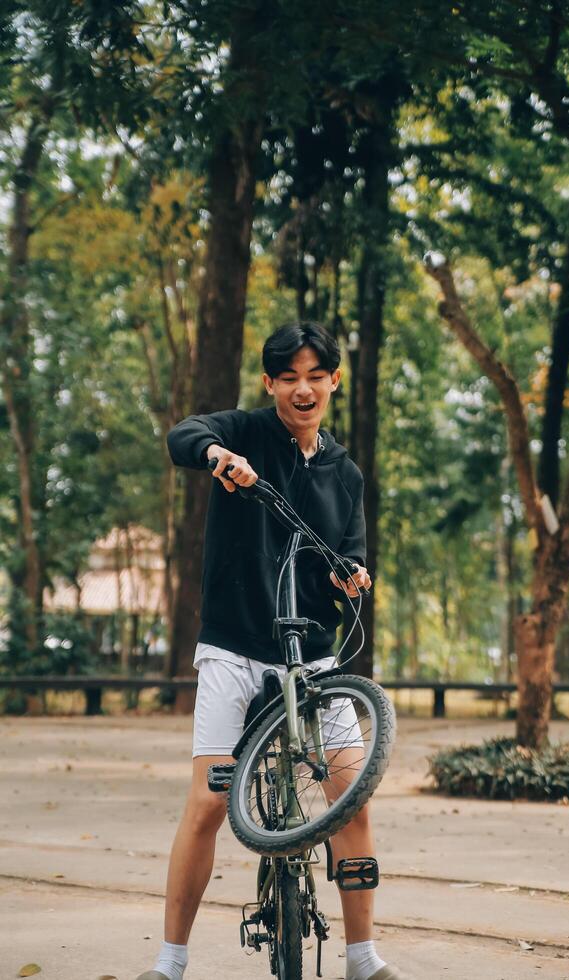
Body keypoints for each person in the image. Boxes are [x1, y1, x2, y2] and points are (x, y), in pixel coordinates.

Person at [136, 322, 402, 980]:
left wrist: (352, 575)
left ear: (333, 381)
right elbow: (183, 435)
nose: (302, 388)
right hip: (234, 645)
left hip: (314, 657)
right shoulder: (246, 432)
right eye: (288, 377)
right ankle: (169, 963)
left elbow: (352, 552)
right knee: (207, 801)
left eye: (316, 375)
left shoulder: (346, 474)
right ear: (270, 384)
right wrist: (218, 458)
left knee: (352, 795)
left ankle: (363, 958)